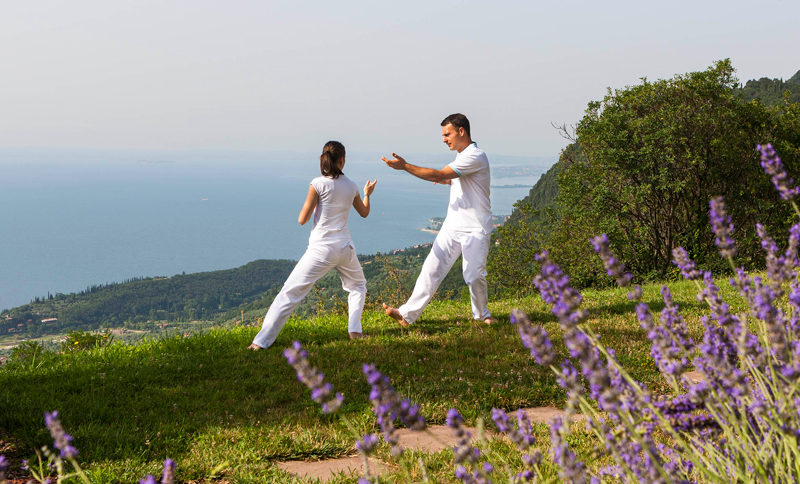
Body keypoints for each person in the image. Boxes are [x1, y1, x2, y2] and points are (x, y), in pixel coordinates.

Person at [248, 141, 377, 350]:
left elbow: (302, 219)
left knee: (290, 293)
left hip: (321, 249)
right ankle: (355, 331)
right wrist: (367, 194)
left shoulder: (317, 183)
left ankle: (260, 342)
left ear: (324, 159)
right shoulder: (352, 185)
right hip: (345, 248)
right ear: (343, 160)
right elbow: (364, 213)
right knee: (358, 286)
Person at [380, 113, 497, 327]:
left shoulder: (476, 156)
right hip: (453, 226)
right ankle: (406, 315)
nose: (444, 139)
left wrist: (406, 166)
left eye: (447, 134)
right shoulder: (462, 157)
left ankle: (482, 315)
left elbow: (439, 175)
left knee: (473, 275)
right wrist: (446, 181)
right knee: (431, 269)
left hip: (475, 227)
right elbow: (456, 181)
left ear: (461, 131)